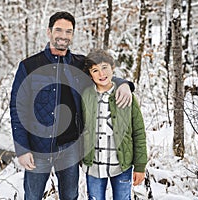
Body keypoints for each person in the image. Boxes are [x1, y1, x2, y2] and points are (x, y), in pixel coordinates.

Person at [9, 11, 134, 200]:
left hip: (70, 148)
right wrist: (23, 149)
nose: (63, 36)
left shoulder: (80, 64)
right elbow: (17, 109)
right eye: (59, 30)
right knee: (32, 196)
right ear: (49, 32)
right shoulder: (29, 65)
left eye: (69, 31)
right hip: (38, 148)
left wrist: (124, 84)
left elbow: (103, 76)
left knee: (70, 196)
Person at [81, 49, 147, 200]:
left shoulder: (126, 95)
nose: (101, 74)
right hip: (94, 166)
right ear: (90, 74)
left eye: (104, 68)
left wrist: (140, 166)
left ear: (112, 68)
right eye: (95, 70)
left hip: (121, 165)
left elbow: (138, 131)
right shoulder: (85, 95)